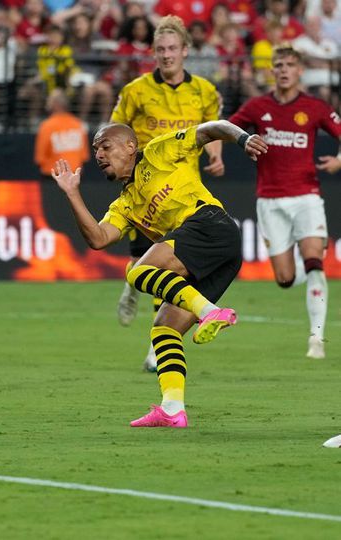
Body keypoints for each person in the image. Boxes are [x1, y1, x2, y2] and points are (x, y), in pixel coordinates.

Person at [51, 120, 267, 427]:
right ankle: (172, 409)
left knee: (138, 273)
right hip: (214, 254)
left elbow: (211, 128)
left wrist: (243, 138)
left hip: (210, 224)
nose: (99, 154)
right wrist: (72, 193)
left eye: (105, 146)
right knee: (164, 328)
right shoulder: (124, 204)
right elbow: (98, 239)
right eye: (96, 149)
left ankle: (210, 312)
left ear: (130, 146)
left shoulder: (158, 151)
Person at [110, 15, 223, 372]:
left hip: (186, 196)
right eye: (160, 49)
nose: (166, 55)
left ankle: (154, 349)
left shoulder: (204, 91)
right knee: (147, 271)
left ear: (186, 50)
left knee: (175, 278)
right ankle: (132, 282)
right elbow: (115, 129)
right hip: (147, 194)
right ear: (153, 52)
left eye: (172, 48)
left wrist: (216, 156)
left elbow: (211, 130)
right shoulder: (136, 91)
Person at [228, 46, 341, 359]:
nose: (284, 70)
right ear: (272, 70)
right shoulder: (257, 106)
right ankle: (308, 259)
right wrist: (244, 144)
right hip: (270, 201)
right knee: (285, 279)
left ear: (299, 70)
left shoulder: (315, 107)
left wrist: (339, 161)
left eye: (290, 65)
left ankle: (316, 339)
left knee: (316, 264)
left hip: (307, 196)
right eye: (279, 65)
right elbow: (229, 129)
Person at [34, 88, 89, 178]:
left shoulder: (47, 126)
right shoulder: (78, 124)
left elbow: (40, 158)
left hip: (52, 177)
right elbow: (84, 156)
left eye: (49, 100)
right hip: (75, 176)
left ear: (56, 104)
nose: (47, 102)